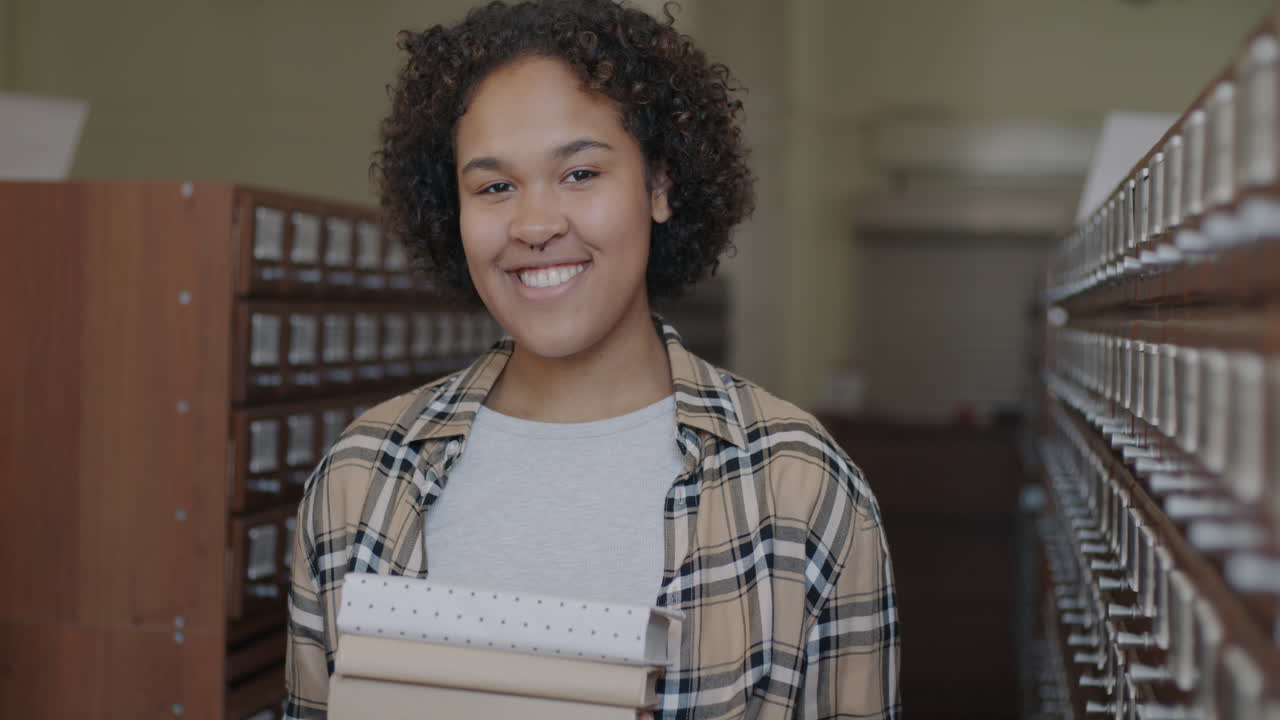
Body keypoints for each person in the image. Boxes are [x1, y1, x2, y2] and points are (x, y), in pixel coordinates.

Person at [285, 1, 900, 717]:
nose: (537, 224)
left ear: (660, 186)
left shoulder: (801, 487)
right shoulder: (362, 479)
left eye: (579, 174)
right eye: (494, 186)